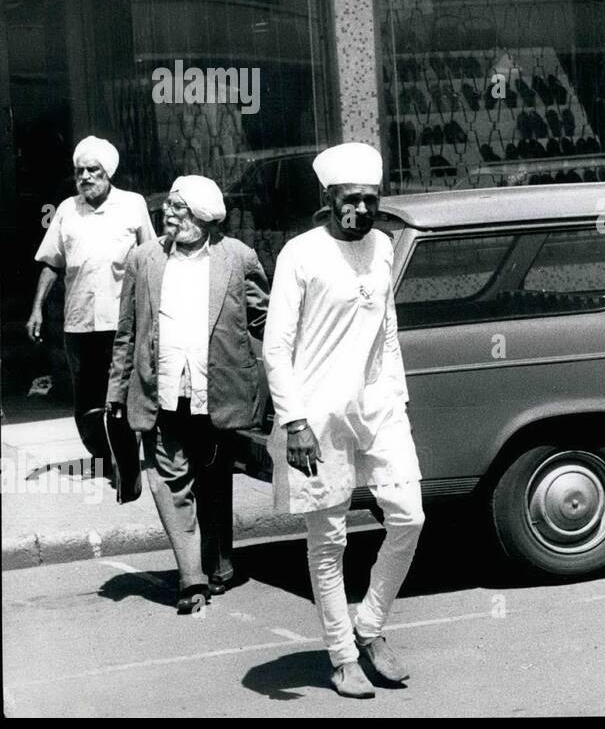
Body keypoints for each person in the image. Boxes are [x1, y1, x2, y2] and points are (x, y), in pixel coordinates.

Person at [262, 142, 424, 699]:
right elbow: (276, 349)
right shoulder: (298, 255)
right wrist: (295, 422)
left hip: (378, 406)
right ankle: (341, 654)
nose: (362, 210)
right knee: (327, 538)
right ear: (329, 200)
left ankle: (370, 625)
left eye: (371, 199)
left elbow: (388, 334)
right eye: (351, 200)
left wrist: (397, 401)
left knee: (409, 516)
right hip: (316, 415)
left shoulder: (382, 247)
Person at [107, 175, 269, 613]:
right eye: (170, 208)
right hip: (160, 392)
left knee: (214, 478)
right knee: (172, 480)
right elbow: (127, 332)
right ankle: (190, 578)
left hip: (219, 391)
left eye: (179, 209)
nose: (169, 214)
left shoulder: (237, 257)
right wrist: (115, 394)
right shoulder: (144, 259)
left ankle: (218, 564)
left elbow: (264, 321)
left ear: (203, 217)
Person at [28, 137, 154, 473]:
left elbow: (152, 259)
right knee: (86, 399)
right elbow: (51, 263)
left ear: (108, 173)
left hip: (123, 321)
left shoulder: (133, 204)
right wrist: (37, 308)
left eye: (92, 170)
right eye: (79, 171)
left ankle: (122, 460)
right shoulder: (67, 209)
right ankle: (103, 454)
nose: (84, 176)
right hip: (80, 322)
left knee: (121, 393)